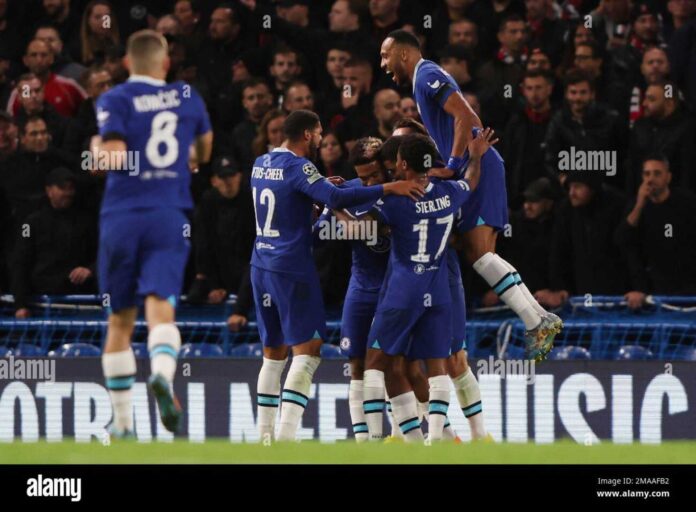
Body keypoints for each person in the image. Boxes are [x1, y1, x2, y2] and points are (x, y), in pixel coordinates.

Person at [380, 29, 561, 361]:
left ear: (403, 54)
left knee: (480, 255)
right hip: (475, 163)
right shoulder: (426, 77)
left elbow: (465, 115)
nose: (383, 64)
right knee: (480, 254)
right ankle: (539, 318)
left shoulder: (427, 74)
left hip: (476, 165)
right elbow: (466, 119)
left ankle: (536, 321)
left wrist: (452, 164)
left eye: (385, 55)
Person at [250, 109, 423, 442]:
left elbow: (289, 198)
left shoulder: (261, 163)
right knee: (308, 350)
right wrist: (390, 187)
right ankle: (285, 440)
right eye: (318, 134)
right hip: (291, 268)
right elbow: (336, 198)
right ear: (307, 135)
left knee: (273, 353)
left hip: (260, 263)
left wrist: (315, 189)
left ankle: (265, 440)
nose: (320, 140)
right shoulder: (300, 167)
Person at [94, 29, 213, 437]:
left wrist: (97, 149)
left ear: (128, 63)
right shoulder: (186, 96)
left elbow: (112, 157)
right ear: (165, 64)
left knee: (120, 321)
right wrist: (182, 158)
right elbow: (203, 153)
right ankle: (162, 374)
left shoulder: (114, 99)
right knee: (161, 307)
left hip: (122, 216)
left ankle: (124, 425)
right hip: (168, 214)